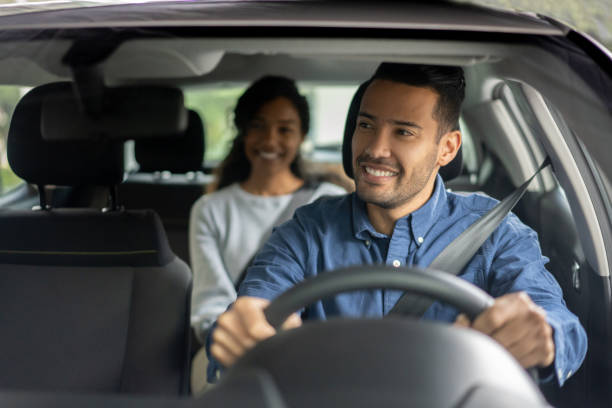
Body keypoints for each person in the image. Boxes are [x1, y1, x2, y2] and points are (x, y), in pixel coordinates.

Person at [206, 64, 588, 387]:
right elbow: (255, 305)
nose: (375, 149)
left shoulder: (495, 231)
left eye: (403, 132)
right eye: (367, 125)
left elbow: (561, 326)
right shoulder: (309, 229)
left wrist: (543, 335)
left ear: (448, 148)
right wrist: (241, 328)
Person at [189, 75, 346, 345]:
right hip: (236, 346)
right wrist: (240, 340)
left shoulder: (330, 201)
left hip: (314, 344)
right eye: (258, 127)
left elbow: (339, 296)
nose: (270, 141)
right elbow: (210, 306)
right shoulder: (210, 209)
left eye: (284, 130)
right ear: (243, 132)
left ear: (302, 136)